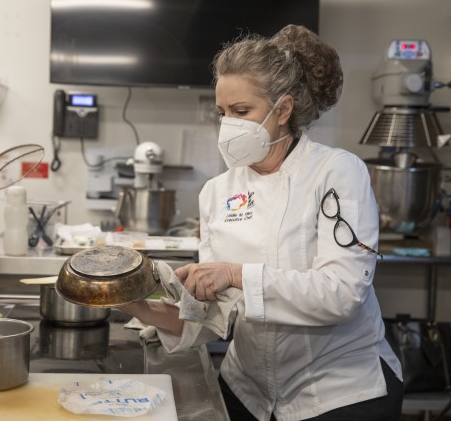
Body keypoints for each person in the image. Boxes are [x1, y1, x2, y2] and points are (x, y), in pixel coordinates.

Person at [121, 24, 404, 421]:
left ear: (283, 110)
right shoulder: (217, 191)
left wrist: (234, 274)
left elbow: (343, 294)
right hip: (248, 391)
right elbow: (216, 316)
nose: (228, 125)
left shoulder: (336, 172)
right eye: (222, 113)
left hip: (340, 393)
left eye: (241, 112)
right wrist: (139, 305)